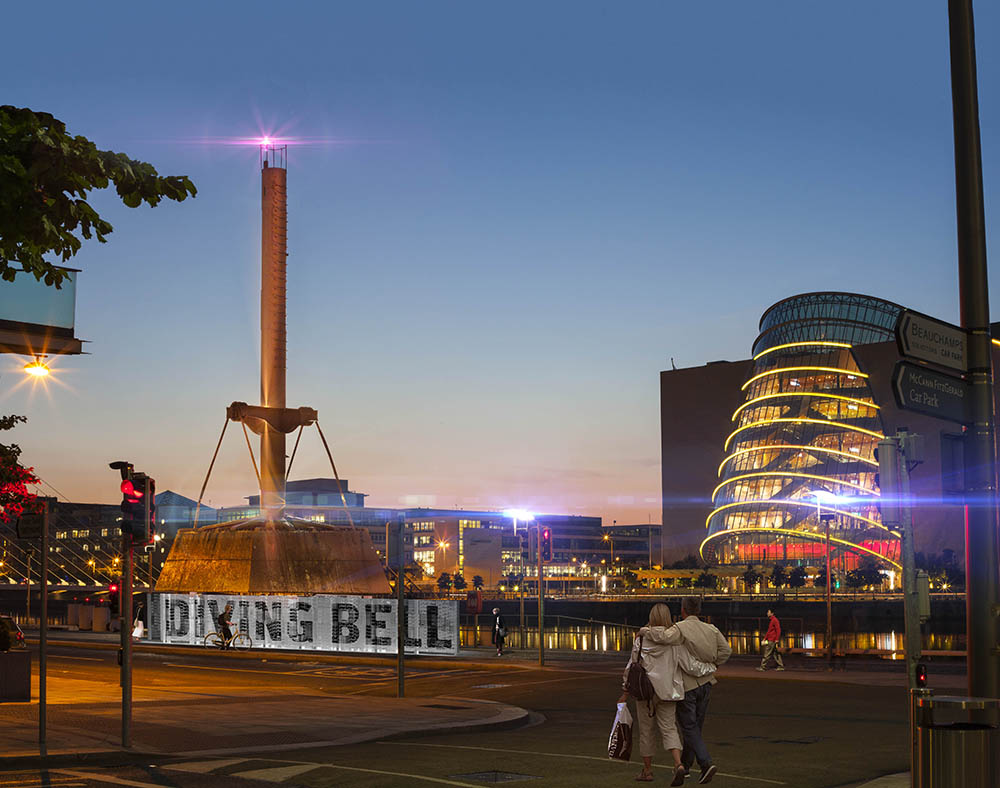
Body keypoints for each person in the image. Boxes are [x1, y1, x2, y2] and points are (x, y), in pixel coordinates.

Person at [640, 596, 732, 785]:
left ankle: (705, 763)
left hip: (688, 685)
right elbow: (726, 651)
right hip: (706, 682)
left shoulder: (680, 628)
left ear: (683, 610)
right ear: (698, 610)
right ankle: (687, 766)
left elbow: (663, 637)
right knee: (695, 728)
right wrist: (712, 664)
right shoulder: (711, 629)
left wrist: (644, 631)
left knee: (688, 727)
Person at [622, 603, 717, 785]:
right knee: (669, 729)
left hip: (646, 693)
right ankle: (678, 764)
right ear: (668, 617)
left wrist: (625, 691)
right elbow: (690, 665)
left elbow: (631, 667)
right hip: (668, 692)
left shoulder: (641, 639)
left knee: (646, 732)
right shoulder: (675, 641)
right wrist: (710, 668)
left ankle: (647, 771)